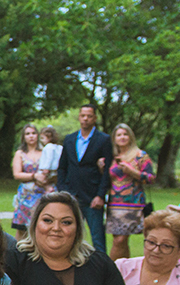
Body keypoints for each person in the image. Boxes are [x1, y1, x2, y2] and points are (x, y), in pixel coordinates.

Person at [57, 104, 114, 254]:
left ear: (95, 118)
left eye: (89, 116)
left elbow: (107, 170)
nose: (86, 119)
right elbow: (62, 167)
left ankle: (101, 265)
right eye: (83, 116)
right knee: (68, 235)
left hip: (92, 196)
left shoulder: (103, 139)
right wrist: (62, 190)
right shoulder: (70, 139)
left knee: (97, 238)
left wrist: (100, 195)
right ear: (79, 117)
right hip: (71, 194)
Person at [106, 123, 155, 260]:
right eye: (119, 135)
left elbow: (151, 178)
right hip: (114, 203)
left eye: (125, 134)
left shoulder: (140, 155)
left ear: (131, 137)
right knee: (119, 241)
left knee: (120, 240)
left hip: (132, 203)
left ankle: (112, 268)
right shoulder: (112, 156)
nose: (122, 137)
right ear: (114, 138)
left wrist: (132, 171)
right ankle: (123, 269)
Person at [11, 123, 54, 236]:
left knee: (43, 227)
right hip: (26, 195)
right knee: (22, 229)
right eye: (28, 134)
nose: (31, 136)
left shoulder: (45, 151)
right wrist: (34, 176)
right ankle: (19, 247)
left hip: (43, 193)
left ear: (38, 135)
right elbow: (17, 174)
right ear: (24, 137)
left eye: (34, 133)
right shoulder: (20, 153)